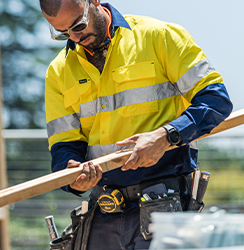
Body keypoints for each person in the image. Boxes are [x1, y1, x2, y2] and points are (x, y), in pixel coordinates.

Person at [39, 0, 233, 249]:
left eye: (79, 25)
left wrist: (165, 137)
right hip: (103, 212)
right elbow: (64, 146)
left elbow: (216, 100)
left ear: (94, 2)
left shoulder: (159, 37)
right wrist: (72, 177)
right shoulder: (58, 71)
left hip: (166, 204)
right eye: (63, 33)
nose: (75, 37)